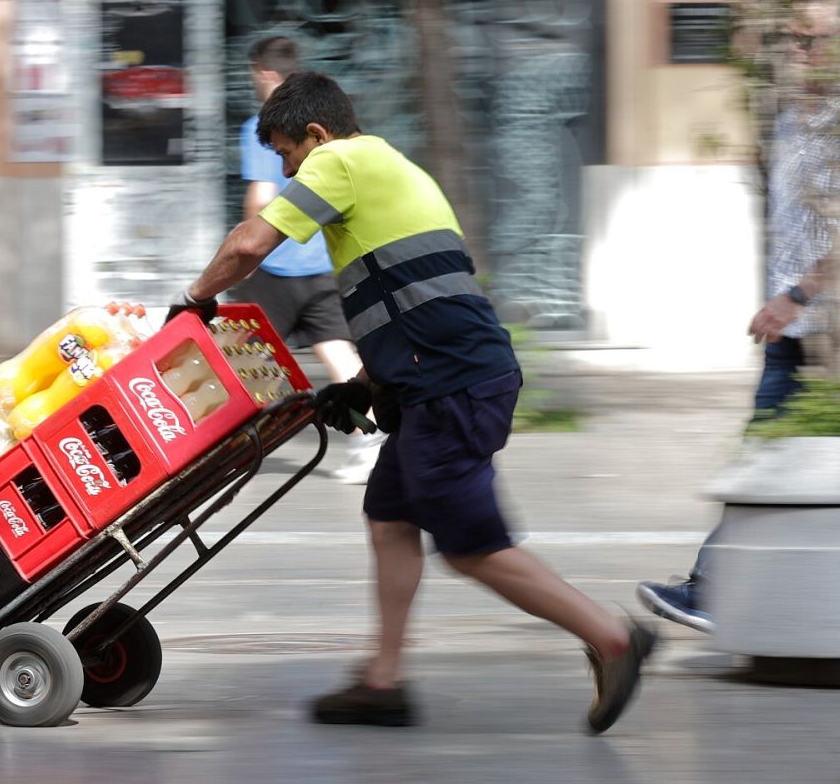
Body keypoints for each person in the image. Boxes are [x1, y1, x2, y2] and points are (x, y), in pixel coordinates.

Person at [168, 72, 656, 734]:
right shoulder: (395, 171)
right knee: (391, 516)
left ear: (316, 135)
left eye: (286, 154)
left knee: (471, 546)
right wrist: (362, 386)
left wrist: (195, 301)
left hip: (452, 383)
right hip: (446, 375)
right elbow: (415, 300)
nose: (284, 171)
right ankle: (382, 680)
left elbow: (252, 242)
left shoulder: (342, 158)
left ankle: (612, 637)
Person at [637, 1, 840, 634]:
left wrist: (798, 296)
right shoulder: (787, 118)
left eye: (816, 40)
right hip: (795, 332)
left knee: (762, 460)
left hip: (826, 330)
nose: (802, 49)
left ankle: (712, 590)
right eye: (796, 37)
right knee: (768, 459)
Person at [233, 36, 383, 484]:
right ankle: (367, 436)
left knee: (243, 355)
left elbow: (261, 196)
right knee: (335, 346)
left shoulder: (265, 126)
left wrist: (249, 253)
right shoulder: (323, 127)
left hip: (277, 261)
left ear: (263, 74)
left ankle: (233, 441)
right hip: (321, 261)